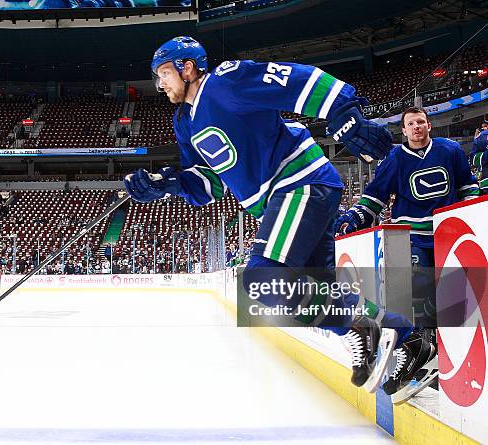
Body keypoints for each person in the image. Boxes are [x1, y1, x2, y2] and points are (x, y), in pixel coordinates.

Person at [124, 36, 412, 392]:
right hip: (289, 196)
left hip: (299, 183)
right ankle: (407, 337)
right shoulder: (185, 122)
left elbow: (296, 79)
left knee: (261, 283)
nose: (160, 83)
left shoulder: (226, 81)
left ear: (188, 67)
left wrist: (343, 109)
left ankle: (359, 327)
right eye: (156, 77)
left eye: (164, 73)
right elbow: (208, 184)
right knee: (322, 294)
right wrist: (163, 185)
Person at [334, 106, 479, 397]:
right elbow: (375, 196)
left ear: (429, 125)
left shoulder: (450, 151)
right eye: (411, 123)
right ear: (404, 129)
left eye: (421, 122)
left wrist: (471, 215)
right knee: (421, 290)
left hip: (447, 233)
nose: (417, 127)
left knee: (450, 295)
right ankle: (424, 347)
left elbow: (468, 187)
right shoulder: (394, 159)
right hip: (411, 236)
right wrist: (356, 217)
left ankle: (439, 352)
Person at [470, 119, 488, 194]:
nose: (484, 128)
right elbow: (473, 159)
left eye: (485, 126)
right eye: (483, 126)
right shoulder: (482, 137)